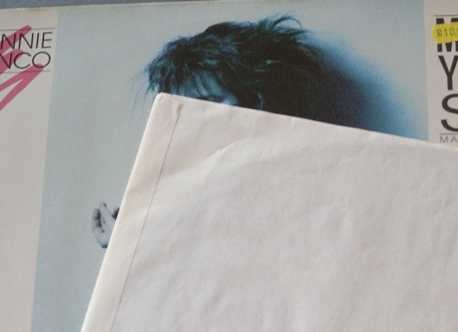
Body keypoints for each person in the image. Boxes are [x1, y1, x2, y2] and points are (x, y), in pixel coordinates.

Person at [91, 16, 323, 248]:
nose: (191, 120)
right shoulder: (190, 186)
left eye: (206, 103)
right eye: (182, 108)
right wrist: (125, 245)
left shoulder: (301, 180)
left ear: (257, 99)